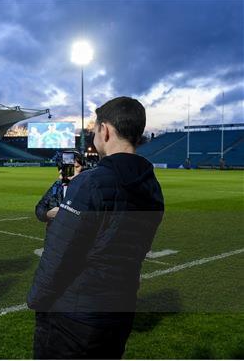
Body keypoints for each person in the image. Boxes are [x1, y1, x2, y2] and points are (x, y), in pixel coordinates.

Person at [27, 97, 164, 359]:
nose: (93, 134)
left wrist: (36, 299)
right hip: (120, 310)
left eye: (95, 128)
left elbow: (59, 252)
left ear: (106, 130)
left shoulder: (91, 183)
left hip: (73, 319)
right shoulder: (152, 187)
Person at [35, 153, 83, 228]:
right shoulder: (57, 186)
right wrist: (47, 214)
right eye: (69, 167)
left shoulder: (90, 186)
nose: (74, 171)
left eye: (77, 167)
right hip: (55, 235)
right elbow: (40, 207)